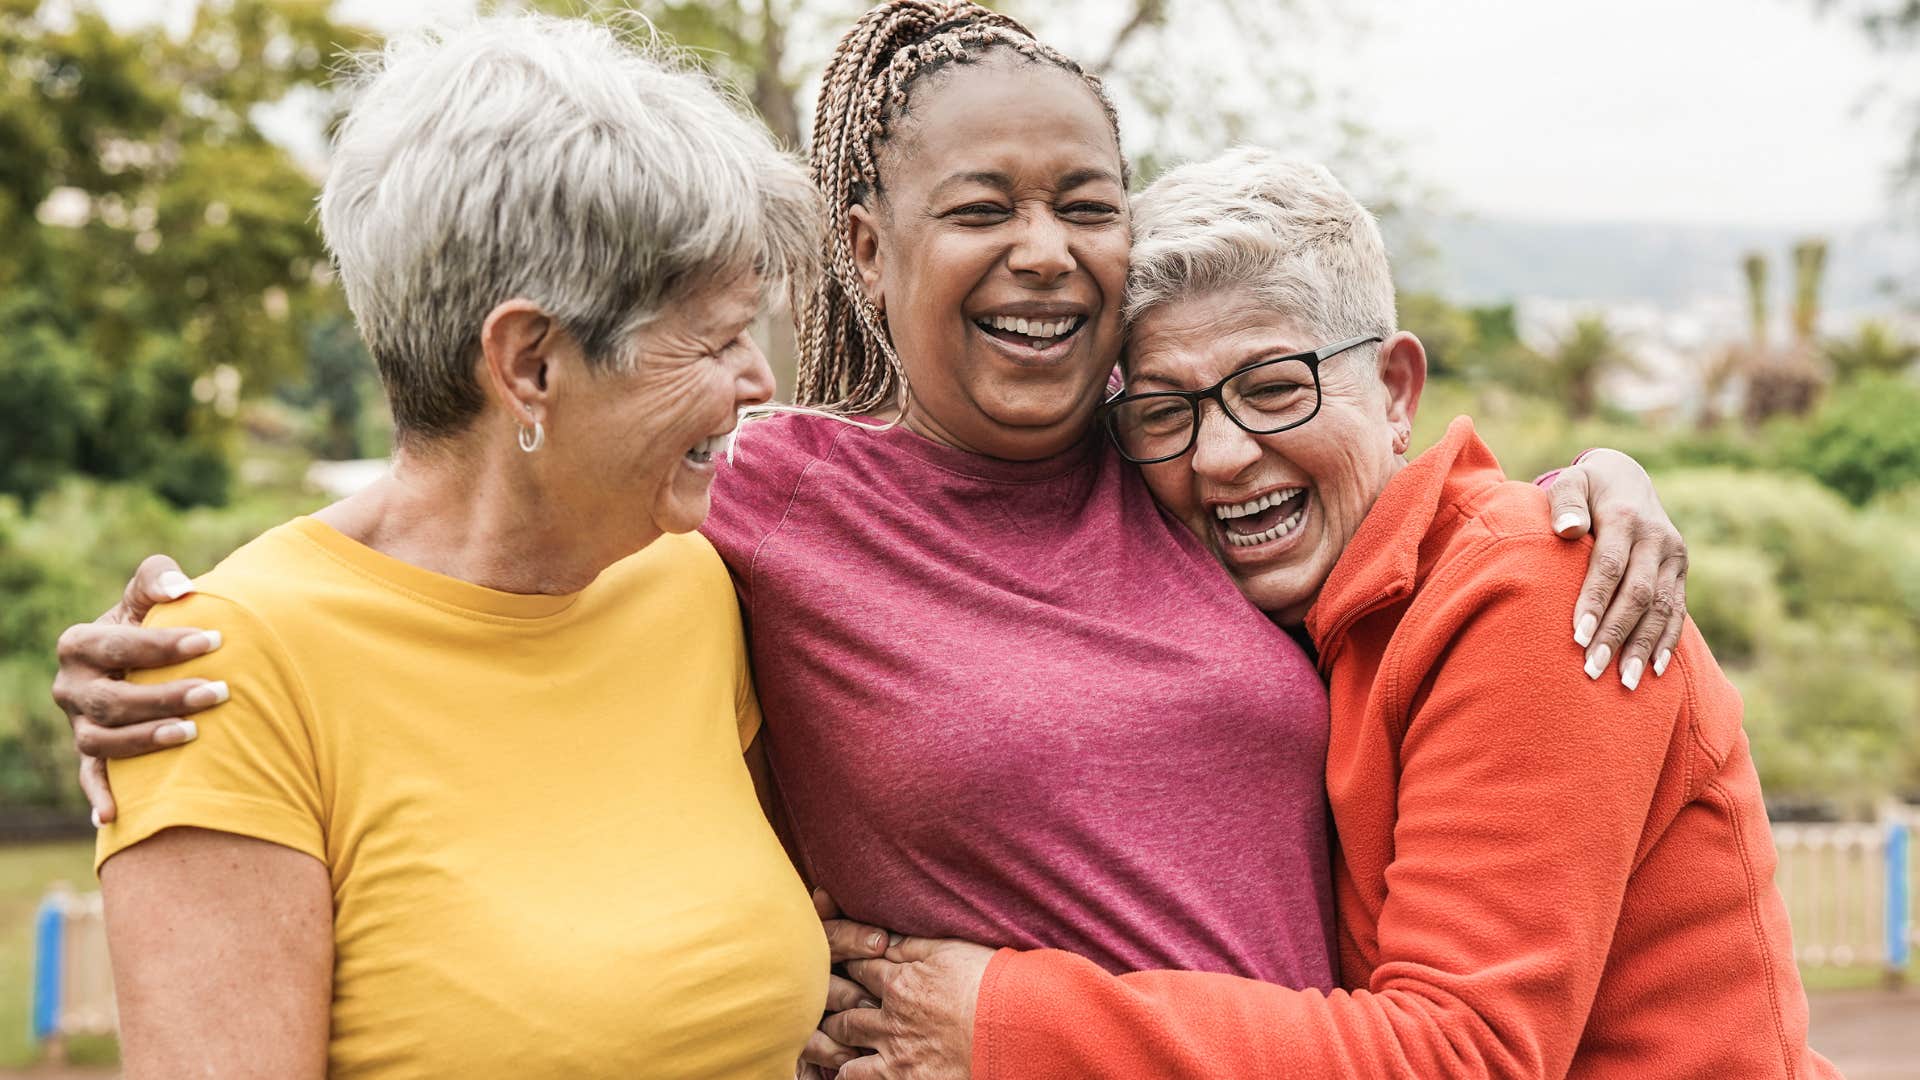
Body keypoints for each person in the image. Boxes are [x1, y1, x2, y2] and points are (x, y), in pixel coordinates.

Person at [54, 4, 1691, 1073]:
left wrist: (1593, 487)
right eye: (982, 208)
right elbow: (462, 530)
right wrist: (193, 640)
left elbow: (1375, 488)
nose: (1045, 254)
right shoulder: (747, 510)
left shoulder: (1182, 464)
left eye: (1087, 203)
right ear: (864, 242)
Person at [814, 150, 1840, 1080]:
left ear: (1397, 389)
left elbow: (1459, 1055)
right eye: (1168, 410)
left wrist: (1000, 1021)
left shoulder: (1533, 592)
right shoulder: (1280, 602)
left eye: (1273, 388)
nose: (1220, 456)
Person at [80, 17, 830, 1078]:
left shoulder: (690, 576)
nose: (759, 382)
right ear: (528, 363)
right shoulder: (218, 673)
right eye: (714, 341)